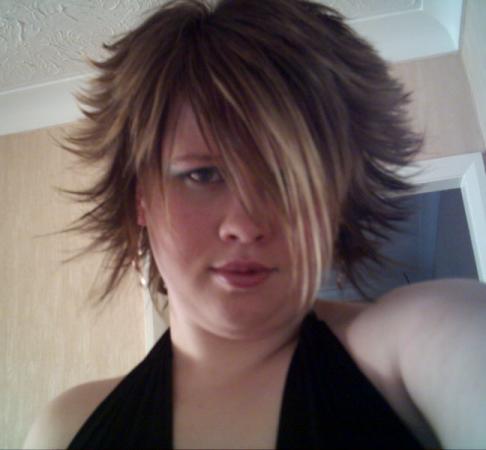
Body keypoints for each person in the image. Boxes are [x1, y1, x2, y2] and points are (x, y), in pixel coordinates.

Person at [23, 0, 486, 448]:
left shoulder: (409, 350)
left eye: (286, 178)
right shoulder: (67, 429)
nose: (245, 226)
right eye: (203, 175)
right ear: (140, 198)